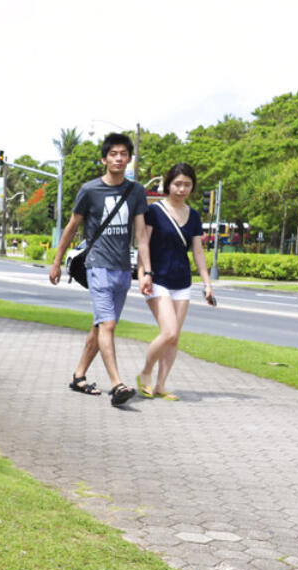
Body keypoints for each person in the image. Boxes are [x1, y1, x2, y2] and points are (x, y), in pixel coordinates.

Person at [49, 133, 150, 406]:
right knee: (109, 324)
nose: (118, 158)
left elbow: (141, 234)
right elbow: (71, 227)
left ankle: (79, 376)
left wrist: (146, 271)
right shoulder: (90, 190)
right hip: (97, 265)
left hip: (122, 268)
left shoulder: (137, 191)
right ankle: (118, 385)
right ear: (104, 159)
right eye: (113, 154)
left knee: (100, 326)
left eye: (123, 154)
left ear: (129, 158)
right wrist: (57, 262)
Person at [135, 162, 215, 400]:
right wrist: (144, 273)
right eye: (177, 184)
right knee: (168, 331)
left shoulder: (194, 216)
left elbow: (198, 252)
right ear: (168, 184)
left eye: (187, 185)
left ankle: (161, 385)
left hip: (182, 281)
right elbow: (143, 244)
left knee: (174, 337)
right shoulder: (155, 211)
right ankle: (146, 373)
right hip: (157, 278)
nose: (181, 189)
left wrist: (207, 284)